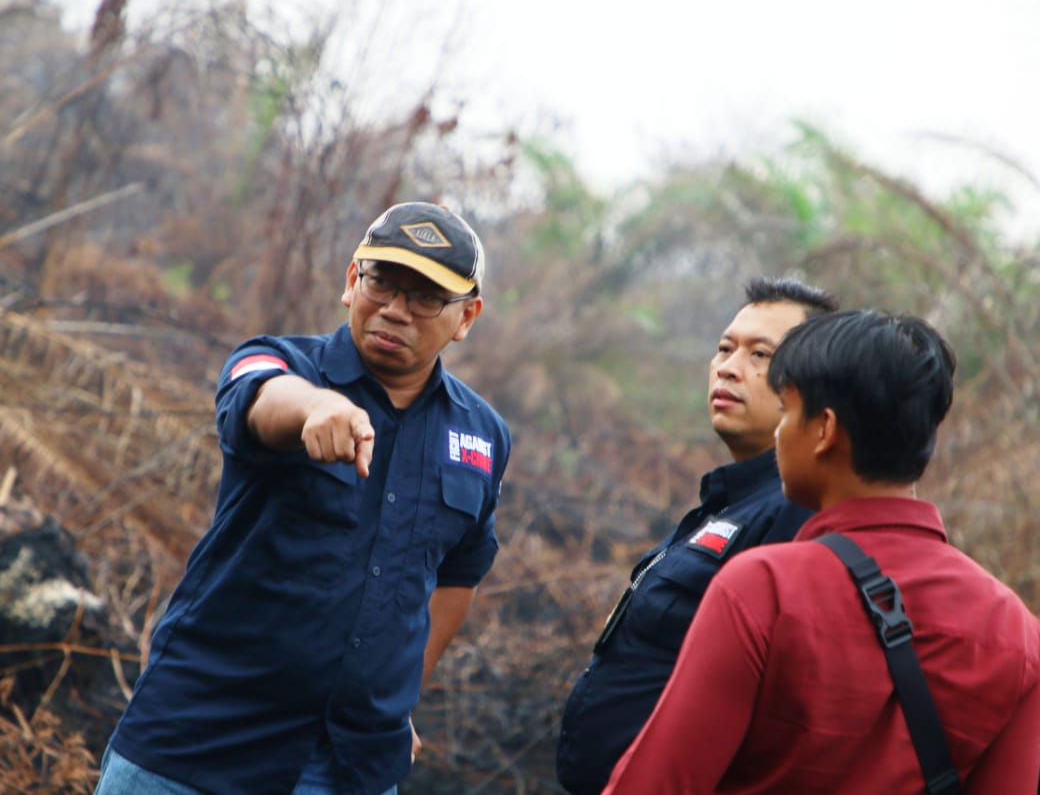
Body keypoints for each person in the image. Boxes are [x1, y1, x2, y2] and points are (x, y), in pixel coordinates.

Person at [95, 202, 511, 795]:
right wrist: (317, 406)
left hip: (349, 770)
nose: (395, 309)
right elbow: (258, 399)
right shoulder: (283, 363)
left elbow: (458, 575)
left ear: (466, 317)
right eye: (382, 283)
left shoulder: (482, 435)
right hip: (194, 745)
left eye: (425, 298)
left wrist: (398, 696)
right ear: (351, 282)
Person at [603, 310, 1040, 793]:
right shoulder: (1018, 633)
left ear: (824, 430)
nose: (778, 433)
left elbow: (657, 784)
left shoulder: (762, 589)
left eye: (787, 411)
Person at [555, 276, 838, 794]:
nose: (729, 367)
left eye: (760, 354)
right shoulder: (729, 504)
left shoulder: (795, 514)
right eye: (725, 348)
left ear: (815, 388)